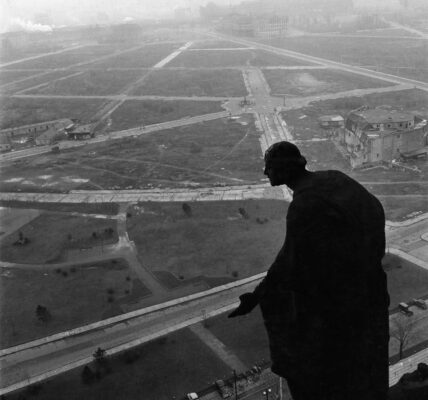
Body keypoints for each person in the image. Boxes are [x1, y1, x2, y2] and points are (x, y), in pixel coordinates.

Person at [228, 141, 389, 400]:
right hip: (370, 289)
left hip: (344, 304)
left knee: (320, 369)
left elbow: (288, 260)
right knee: (367, 375)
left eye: (269, 167)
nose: (265, 172)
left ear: (284, 169)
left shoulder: (304, 205)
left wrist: (257, 296)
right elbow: (374, 210)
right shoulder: (335, 178)